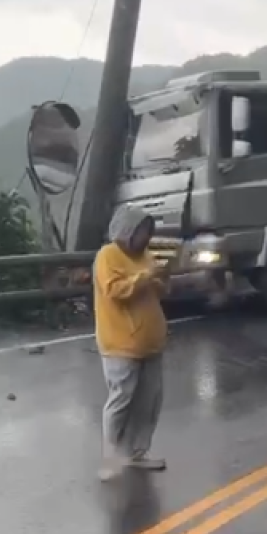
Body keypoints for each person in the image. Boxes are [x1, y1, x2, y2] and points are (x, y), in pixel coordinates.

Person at [93, 204, 169, 481]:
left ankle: (137, 453)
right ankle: (111, 457)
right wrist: (145, 277)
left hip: (150, 342)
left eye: (149, 231)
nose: (147, 237)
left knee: (149, 401)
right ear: (127, 231)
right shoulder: (108, 256)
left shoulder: (145, 256)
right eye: (142, 231)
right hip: (120, 343)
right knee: (121, 399)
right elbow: (115, 290)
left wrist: (161, 278)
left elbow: (157, 292)